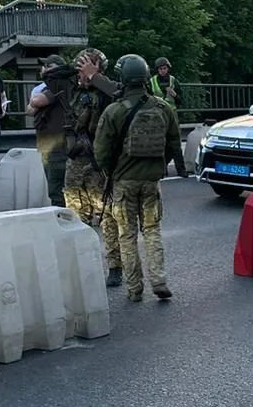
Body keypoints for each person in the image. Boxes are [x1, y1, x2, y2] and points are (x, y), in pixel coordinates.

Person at [94, 54, 185, 303]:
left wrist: (111, 173)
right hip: (151, 182)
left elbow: (100, 152)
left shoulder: (114, 111)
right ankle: (159, 280)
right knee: (153, 230)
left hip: (124, 182)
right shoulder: (162, 107)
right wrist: (157, 165)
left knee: (127, 234)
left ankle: (134, 289)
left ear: (122, 78)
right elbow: (174, 143)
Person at [63, 48, 123, 287]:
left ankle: (115, 266)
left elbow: (122, 95)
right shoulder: (72, 89)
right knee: (77, 218)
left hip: (100, 167)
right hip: (76, 164)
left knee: (107, 217)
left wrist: (95, 78)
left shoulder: (109, 91)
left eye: (87, 64)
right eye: (80, 64)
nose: (82, 69)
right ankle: (82, 265)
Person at [27, 54, 74, 207]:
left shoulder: (57, 83)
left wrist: (35, 102)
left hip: (55, 143)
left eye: (48, 67)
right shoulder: (66, 83)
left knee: (56, 186)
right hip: (53, 141)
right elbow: (31, 109)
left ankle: (62, 219)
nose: (44, 70)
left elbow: (36, 101)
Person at [149, 56, 186, 176]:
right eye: (160, 69)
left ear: (168, 69)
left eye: (165, 68)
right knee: (159, 142)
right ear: (157, 70)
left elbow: (181, 101)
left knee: (175, 143)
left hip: (172, 115)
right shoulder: (152, 81)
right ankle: (161, 169)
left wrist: (175, 95)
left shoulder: (173, 81)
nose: (163, 71)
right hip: (158, 115)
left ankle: (181, 170)